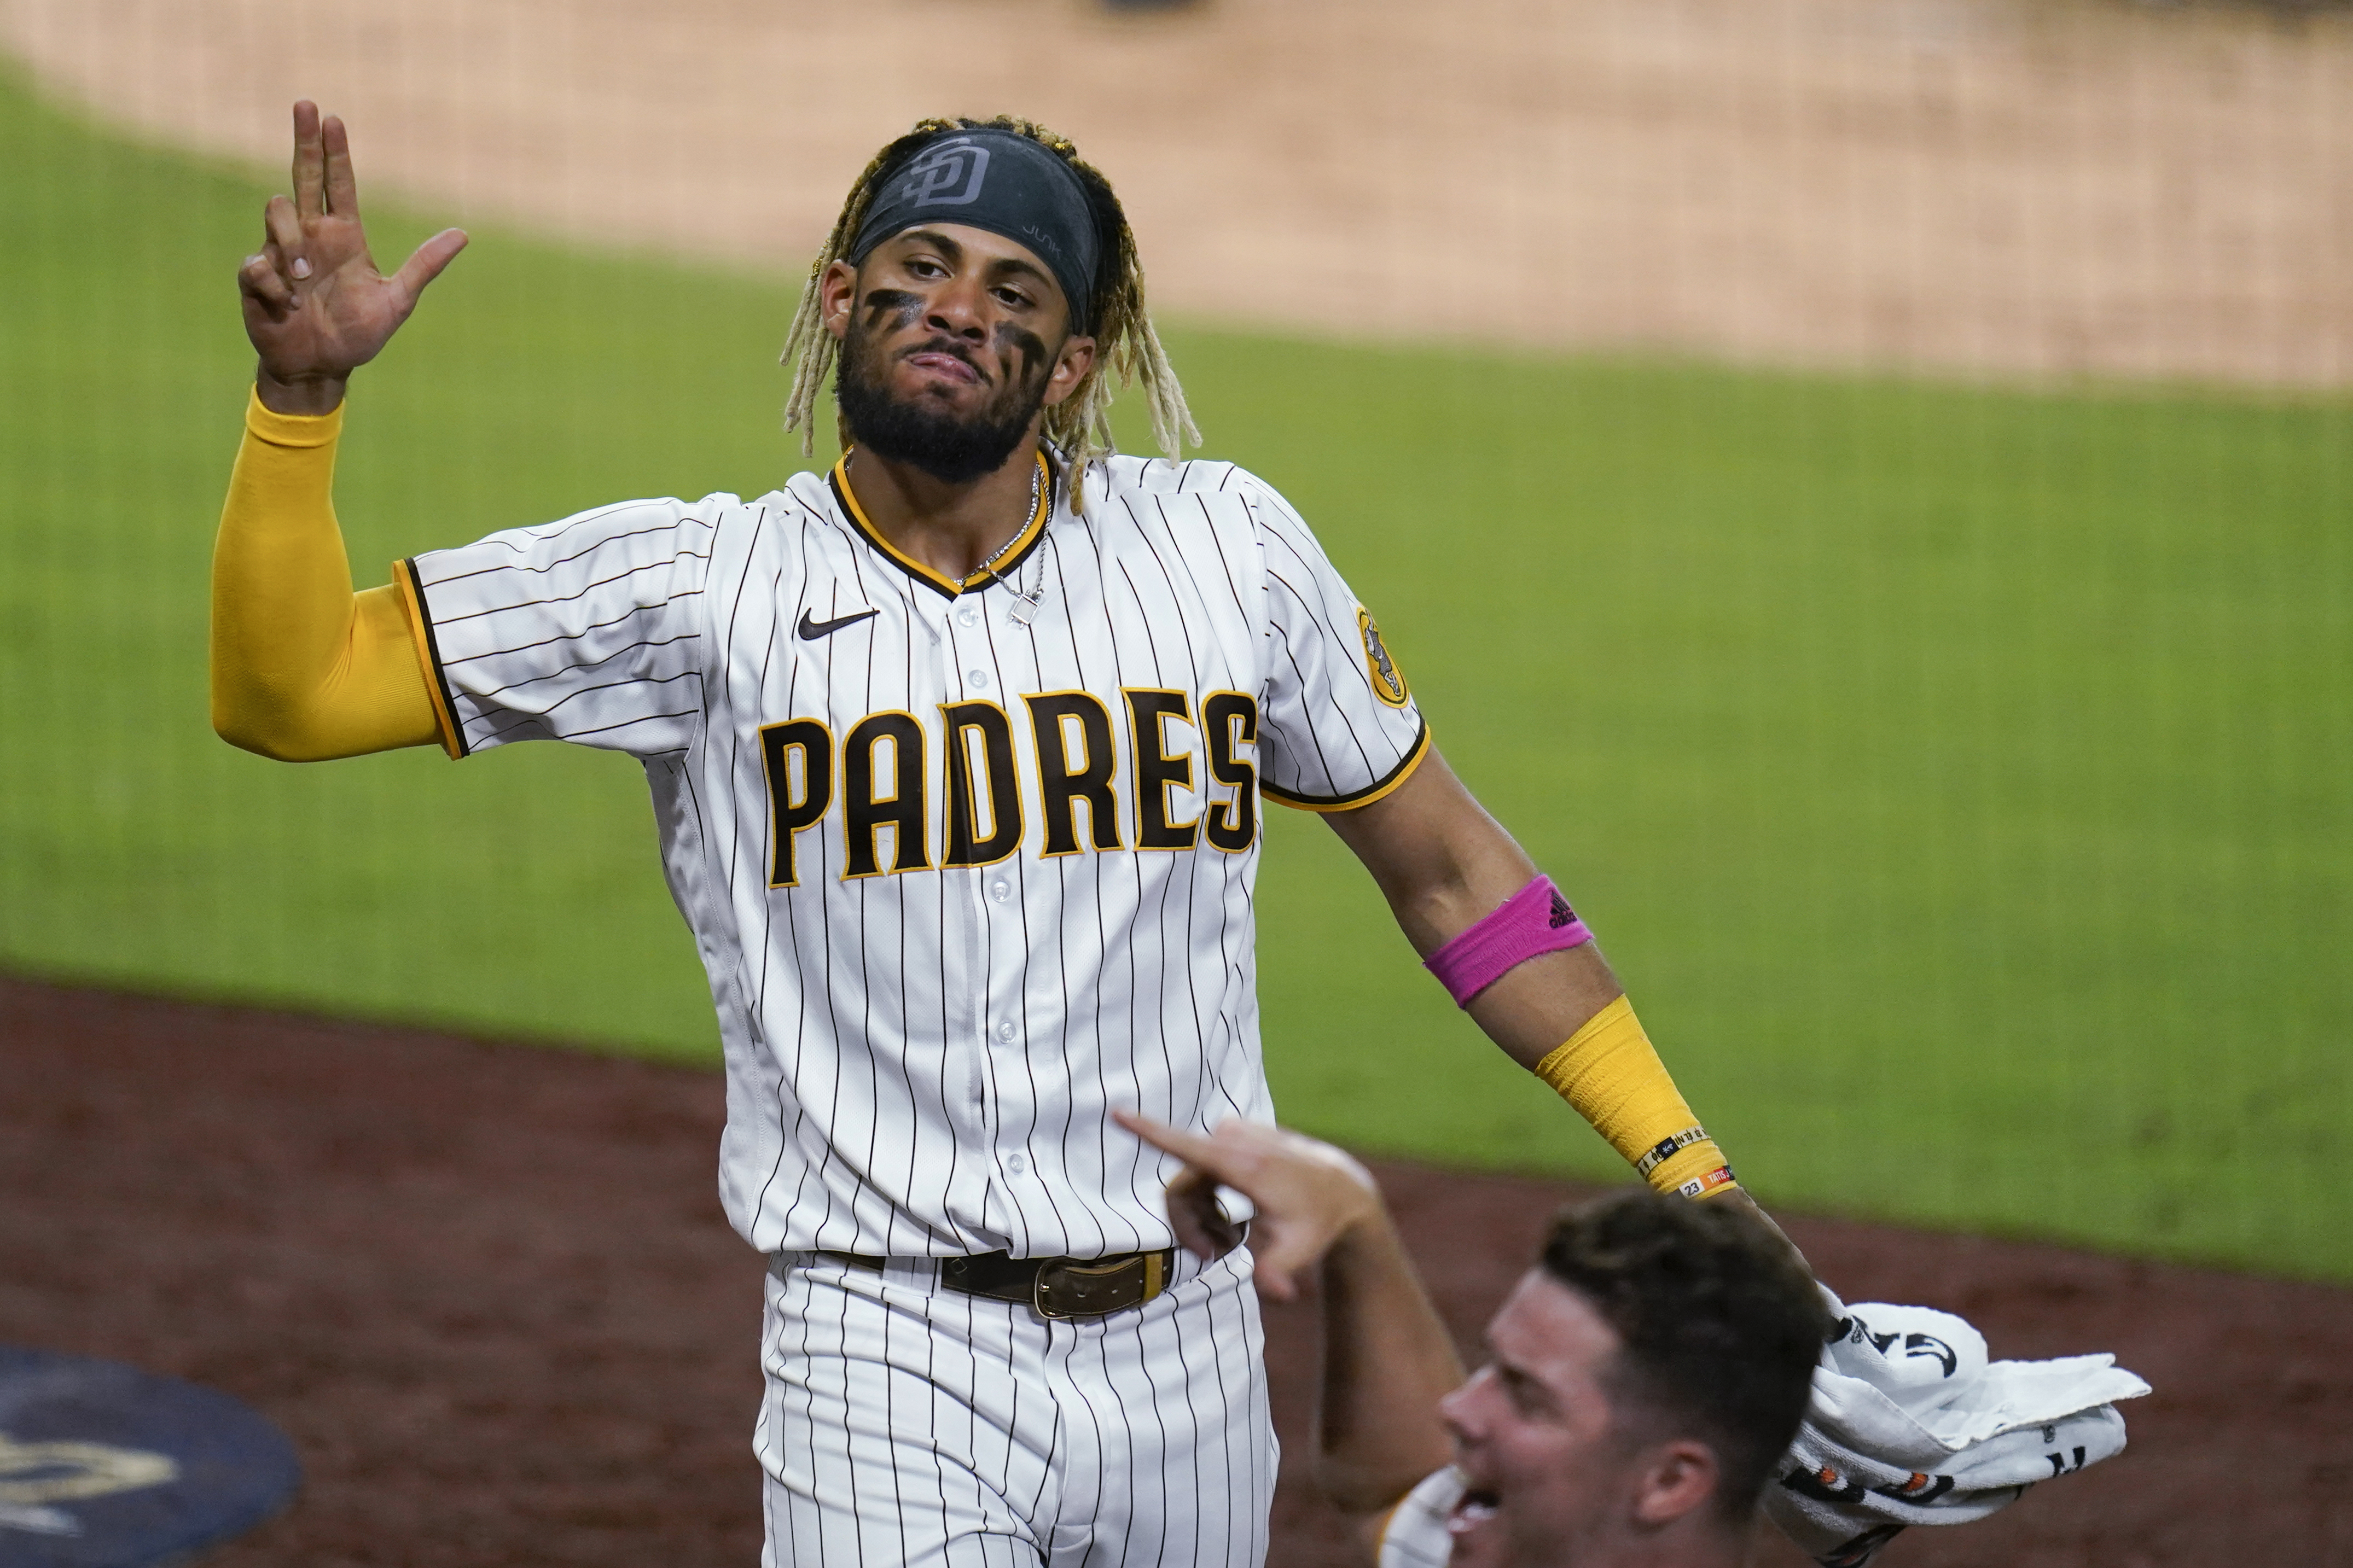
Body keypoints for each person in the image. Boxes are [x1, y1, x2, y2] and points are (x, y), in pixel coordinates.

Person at [214, 103, 1797, 1567]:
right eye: (918, 265)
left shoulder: (1222, 548)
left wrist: (1688, 1169)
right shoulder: (699, 592)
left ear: (1071, 364)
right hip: (883, 1355)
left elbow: (1453, 869)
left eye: (1012, 285)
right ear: (839, 300)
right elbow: (289, 692)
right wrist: (302, 400)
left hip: (1192, 1348)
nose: (959, 302)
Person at [1115, 1112, 1831, 1568]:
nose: (1456, 1409)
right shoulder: (1523, 1549)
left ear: (1669, 1483)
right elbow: (1391, 1491)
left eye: (1527, 1396)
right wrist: (1354, 1221)